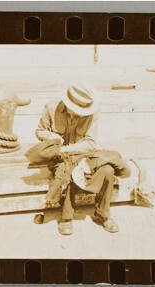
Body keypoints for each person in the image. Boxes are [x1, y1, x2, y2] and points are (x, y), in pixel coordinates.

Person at [34, 82, 118, 236]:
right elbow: (39, 131)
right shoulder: (51, 108)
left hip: (82, 153)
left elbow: (90, 143)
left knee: (108, 170)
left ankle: (103, 213)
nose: (81, 113)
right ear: (68, 103)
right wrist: (50, 135)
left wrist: (66, 149)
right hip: (58, 156)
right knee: (67, 170)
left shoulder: (93, 112)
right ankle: (66, 217)